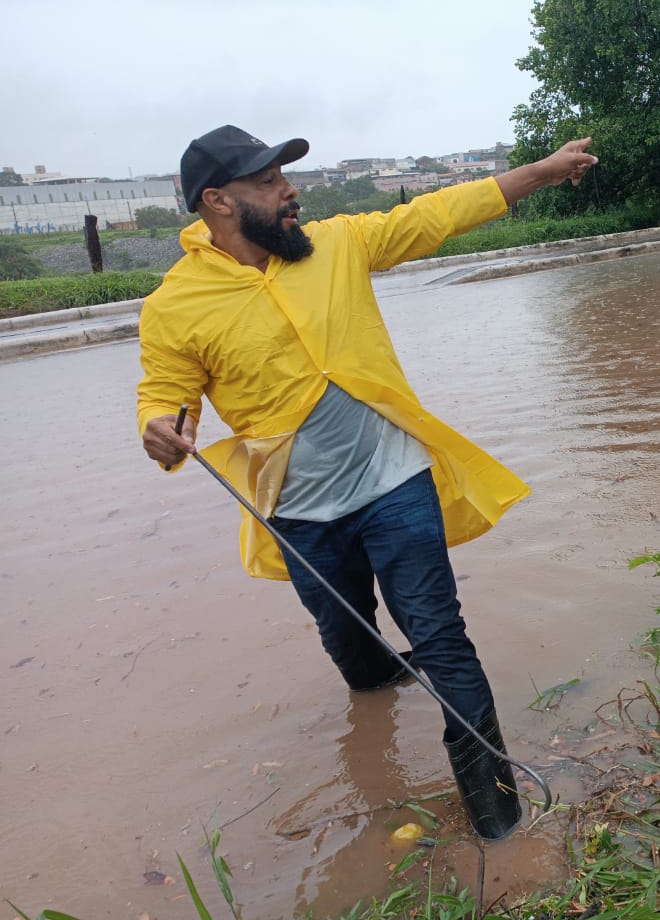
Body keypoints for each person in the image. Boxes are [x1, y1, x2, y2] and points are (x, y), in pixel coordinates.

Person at [137, 124, 597, 841]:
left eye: (284, 177)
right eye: (268, 182)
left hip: (395, 481)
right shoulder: (175, 305)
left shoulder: (338, 244)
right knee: (349, 644)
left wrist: (539, 171)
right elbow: (166, 396)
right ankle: (379, 678)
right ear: (217, 201)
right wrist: (160, 430)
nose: (289, 191)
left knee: (440, 634)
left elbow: (435, 215)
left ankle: (499, 819)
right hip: (299, 511)